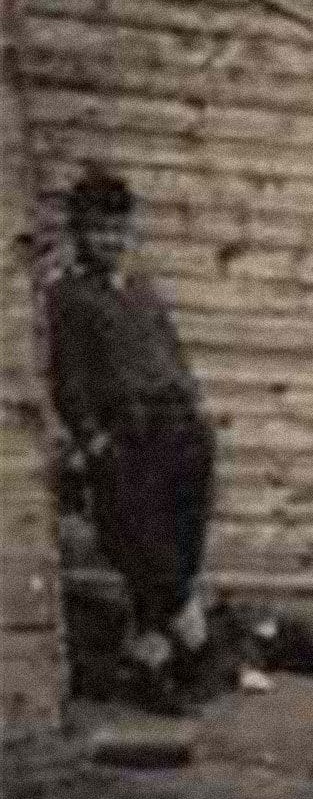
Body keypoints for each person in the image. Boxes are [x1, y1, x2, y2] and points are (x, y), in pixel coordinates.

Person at [44, 165, 216, 716]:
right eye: (98, 230)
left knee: (182, 546)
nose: (111, 241)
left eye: (120, 229)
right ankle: (192, 643)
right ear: (79, 234)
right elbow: (67, 377)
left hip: (181, 435)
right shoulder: (69, 297)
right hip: (126, 439)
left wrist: (193, 407)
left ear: (131, 232)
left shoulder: (144, 293)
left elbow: (173, 356)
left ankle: (151, 665)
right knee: (141, 547)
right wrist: (92, 439)